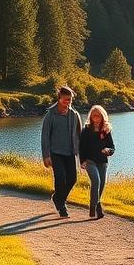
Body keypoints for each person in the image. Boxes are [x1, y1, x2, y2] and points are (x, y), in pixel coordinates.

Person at [40, 85, 82, 218]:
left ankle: (58, 198)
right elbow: (45, 136)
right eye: (65, 100)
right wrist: (46, 156)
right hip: (55, 152)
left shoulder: (74, 115)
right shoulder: (50, 115)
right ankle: (61, 206)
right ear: (59, 99)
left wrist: (83, 156)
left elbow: (79, 135)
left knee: (72, 179)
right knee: (60, 177)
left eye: (70, 100)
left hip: (70, 152)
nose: (68, 102)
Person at [79, 104, 115, 219]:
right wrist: (82, 161)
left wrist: (108, 150)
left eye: (99, 116)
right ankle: (94, 207)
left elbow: (112, 147)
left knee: (102, 184)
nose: (96, 118)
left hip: (102, 162)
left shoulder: (106, 130)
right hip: (90, 161)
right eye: (94, 116)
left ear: (102, 116)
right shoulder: (86, 130)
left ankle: (96, 205)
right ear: (91, 116)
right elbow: (82, 147)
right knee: (96, 181)